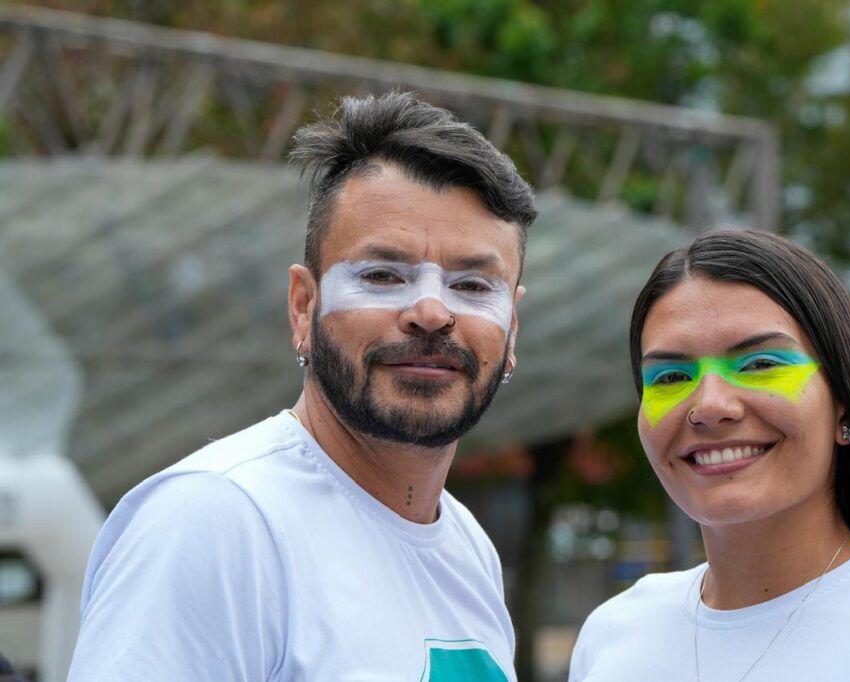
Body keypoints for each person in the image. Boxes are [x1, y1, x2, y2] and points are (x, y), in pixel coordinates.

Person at [68, 91, 536, 681]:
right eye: (382, 275)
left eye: (472, 286)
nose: (430, 310)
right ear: (302, 307)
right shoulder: (217, 521)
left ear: (512, 328)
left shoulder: (468, 549)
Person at [569, 230, 850, 681]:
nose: (709, 406)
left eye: (760, 364)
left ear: (843, 399)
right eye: (669, 377)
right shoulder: (613, 635)